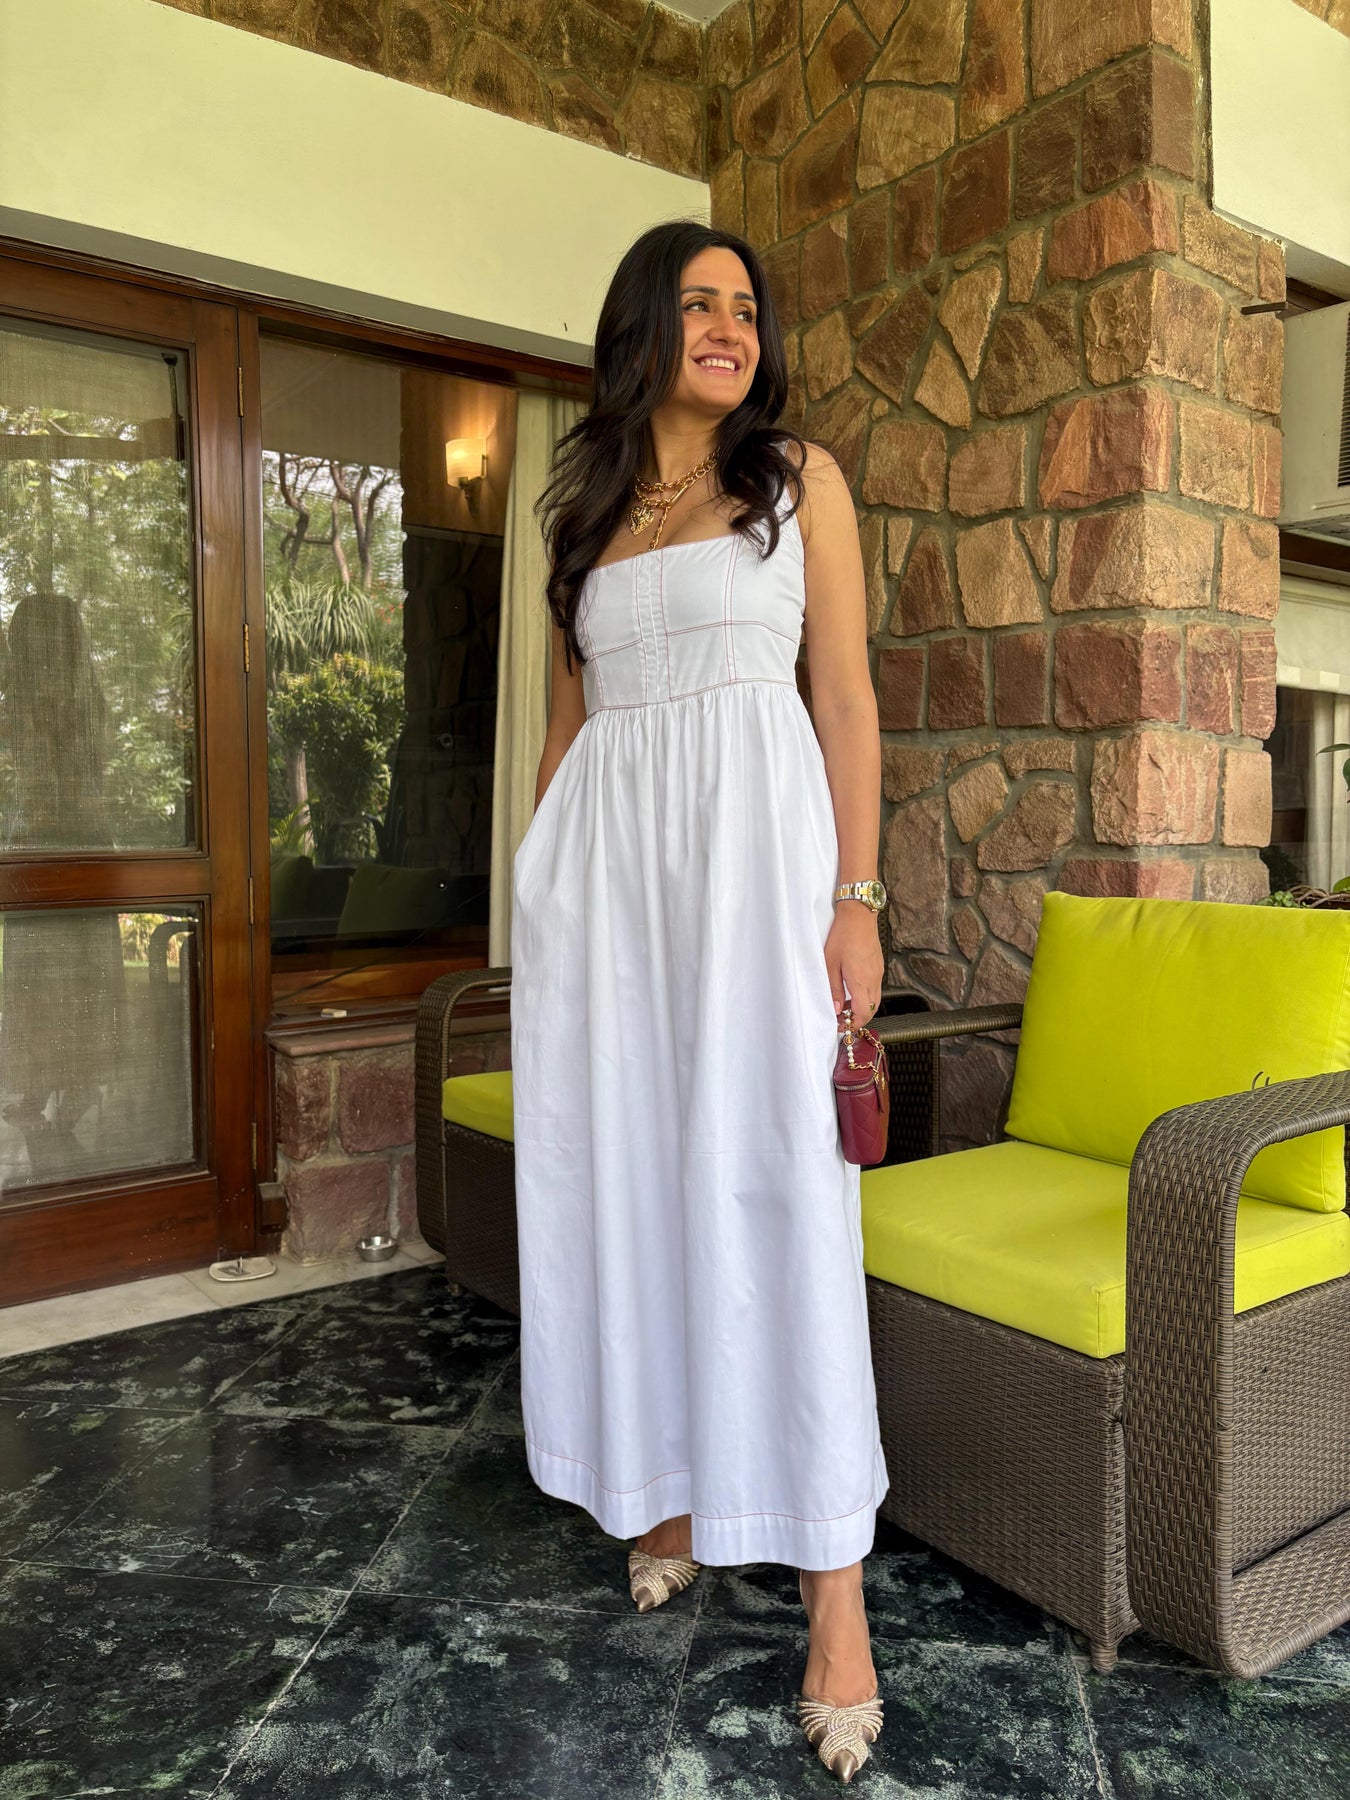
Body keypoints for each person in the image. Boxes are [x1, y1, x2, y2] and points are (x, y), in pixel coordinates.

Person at [510, 219, 889, 1783]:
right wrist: (533, 895)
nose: (729, 326)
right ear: (641, 331)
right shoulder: (584, 513)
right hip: (604, 904)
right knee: (630, 1189)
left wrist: (856, 900)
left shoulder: (798, 481)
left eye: (744, 307)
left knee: (780, 1198)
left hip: (757, 889)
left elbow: (843, 698)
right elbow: (567, 732)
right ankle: (662, 1490)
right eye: (696, 304)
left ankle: (833, 1598)